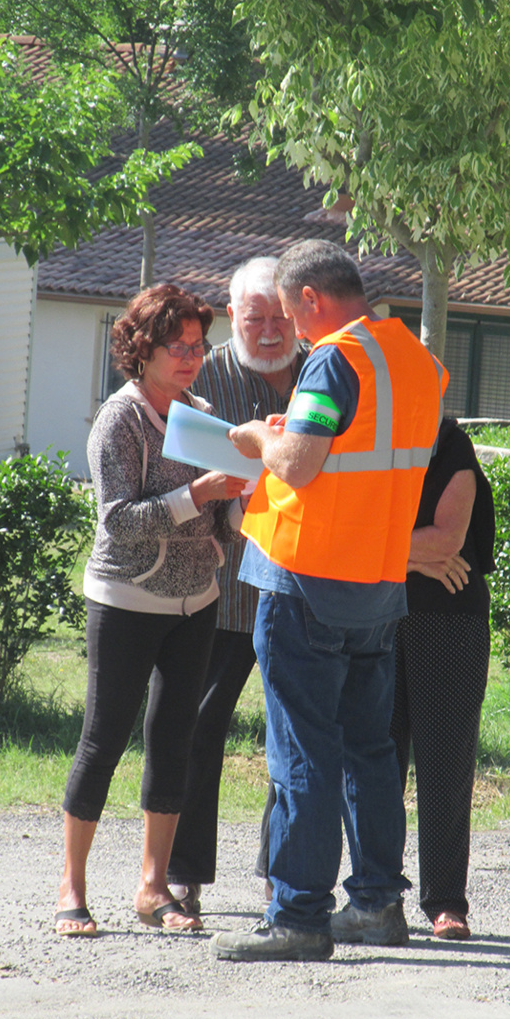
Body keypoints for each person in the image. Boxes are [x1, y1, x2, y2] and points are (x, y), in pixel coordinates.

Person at [209, 238, 447, 962]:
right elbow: (364, 457)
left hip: (307, 580)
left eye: (290, 311)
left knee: (301, 750)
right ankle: (376, 903)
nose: (291, 327)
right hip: (377, 581)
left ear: (309, 299)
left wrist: (258, 436)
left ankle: (298, 915)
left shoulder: (333, 356)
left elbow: (303, 463)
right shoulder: (415, 359)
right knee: (368, 751)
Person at [55, 283, 246, 937]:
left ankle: (151, 886)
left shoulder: (200, 411)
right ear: (143, 348)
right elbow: (118, 521)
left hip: (197, 605)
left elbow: (222, 510)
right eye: (179, 345)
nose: (193, 356)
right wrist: (198, 493)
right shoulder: (122, 418)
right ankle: (71, 889)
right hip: (126, 602)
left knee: (176, 742)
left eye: (199, 344)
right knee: (104, 739)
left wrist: (242, 506)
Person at [166, 257, 306, 914]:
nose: (271, 330)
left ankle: (284, 872)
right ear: (231, 314)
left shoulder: (321, 371)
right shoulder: (205, 377)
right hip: (220, 590)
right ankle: (182, 873)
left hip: (300, 587)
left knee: (299, 734)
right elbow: (174, 470)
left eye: (281, 316)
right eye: (257, 318)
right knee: (196, 729)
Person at [390, 417, 495, 940]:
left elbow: (449, 537)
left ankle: (446, 901)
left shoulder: (452, 444)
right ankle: (378, 892)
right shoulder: (363, 435)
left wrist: (390, 555)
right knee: (374, 760)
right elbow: (341, 527)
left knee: (445, 763)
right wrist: (416, 559)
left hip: (451, 618)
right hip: (376, 614)